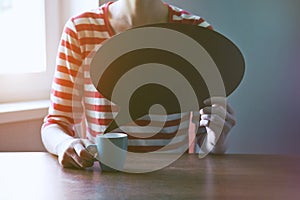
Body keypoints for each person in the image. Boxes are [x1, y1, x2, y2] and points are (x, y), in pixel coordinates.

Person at [41, 0, 236, 169]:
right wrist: (64, 145)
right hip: (104, 179)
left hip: (176, 181)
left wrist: (216, 137)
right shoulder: (80, 30)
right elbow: (56, 122)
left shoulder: (196, 30)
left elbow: (207, 140)